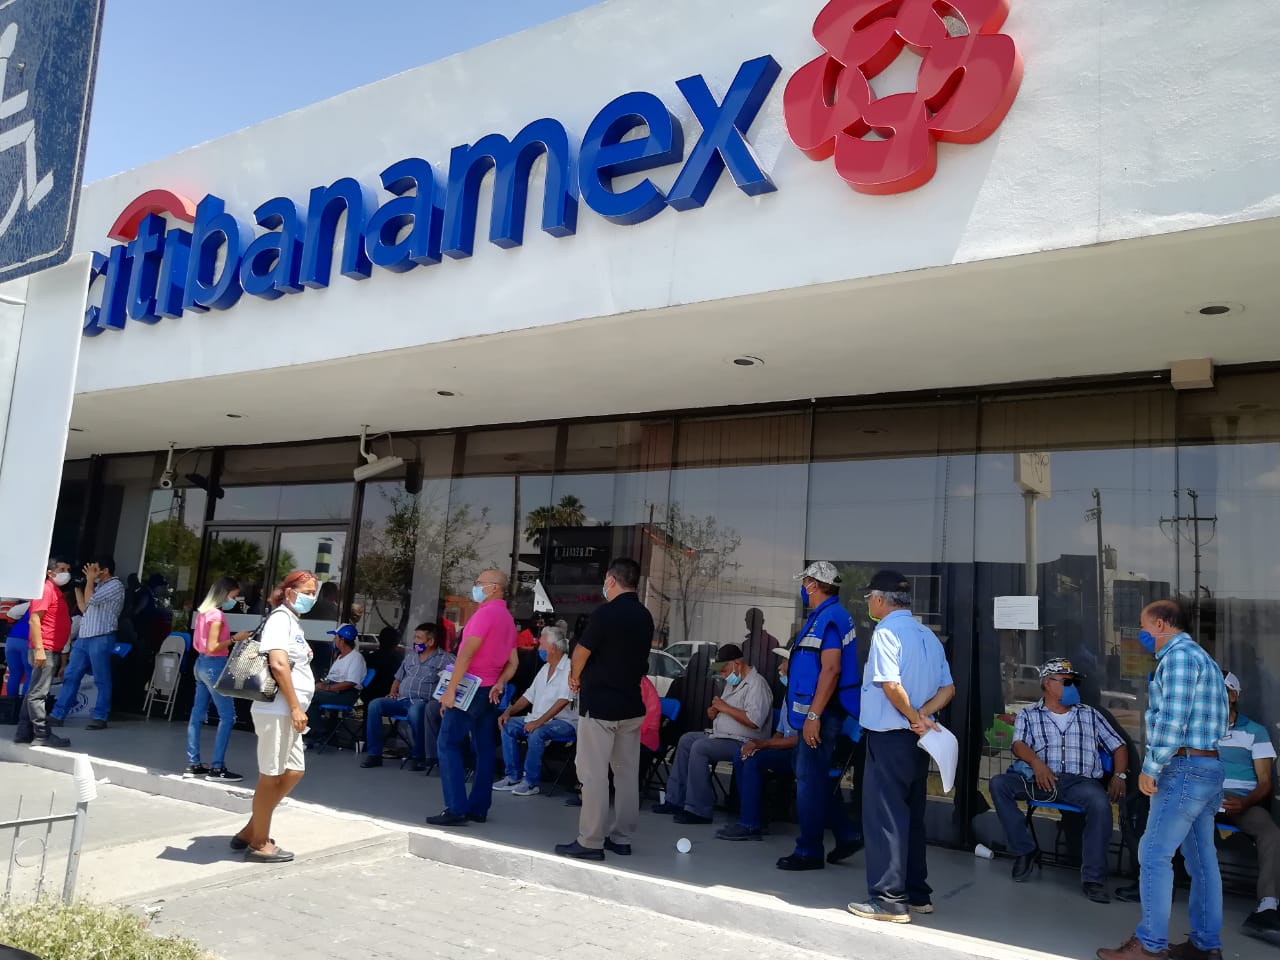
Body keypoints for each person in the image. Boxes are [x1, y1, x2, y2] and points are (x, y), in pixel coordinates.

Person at [1097, 600, 1229, 960]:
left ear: (1160, 625)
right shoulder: (1202, 658)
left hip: (1183, 768)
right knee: (1202, 861)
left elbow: (1173, 719)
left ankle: (1149, 945)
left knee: (1154, 854)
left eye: (1143, 625)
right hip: (1207, 766)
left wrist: (1151, 766)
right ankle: (1205, 945)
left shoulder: (1179, 658)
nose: (1140, 633)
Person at [848, 570, 955, 924]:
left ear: (880, 599)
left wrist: (911, 716)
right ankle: (917, 893)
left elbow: (891, 686)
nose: (869, 603)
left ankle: (888, 900)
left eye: (869, 597)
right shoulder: (927, 635)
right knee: (912, 816)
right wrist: (923, 716)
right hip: (918, 740)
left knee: (885, 817)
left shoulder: (886, 632)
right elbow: (948, 689)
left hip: (890, 737)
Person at [989, 657, 1128, 902]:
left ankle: (1094, 879)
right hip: (1041, 780)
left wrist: (1119, 775)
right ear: (1048, 683)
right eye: (1066, 681)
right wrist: (1036, 763)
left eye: (1074, 682)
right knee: (999, 784)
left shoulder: (1090, 714)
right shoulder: (1029, 714)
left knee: (1099, 803)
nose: (1072, 686)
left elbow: (1118, 746)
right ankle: (1025, 850)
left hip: (1079, 783)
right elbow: (1019, 745)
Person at [555, 557, 654, 861]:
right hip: (631, 705)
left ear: (611, 579)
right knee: (625, 775)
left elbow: (581, 652)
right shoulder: (645, 616)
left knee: (593, 774)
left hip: (599, 706)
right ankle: (621, 837)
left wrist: (574, 677)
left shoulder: (605, 613)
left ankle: (590, 841)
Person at [780, 561, 863, 871]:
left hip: (822, 715)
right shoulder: (824, 616)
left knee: (808, 781)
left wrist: (814, 716)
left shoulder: (830, 618)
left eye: (805, 583)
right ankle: (846, 833)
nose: (803, 588)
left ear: (814, 585)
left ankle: (809, 851)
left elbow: (831, 669)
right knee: (812, 777)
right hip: (817, 714)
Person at [234, 569, 319, 864]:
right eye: (307, 592)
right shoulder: (280, 619)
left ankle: (251, 829)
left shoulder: (292, 621)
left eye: (314, 593)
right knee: (271, 775)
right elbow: (279, 664)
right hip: (278, 709)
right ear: (289, 591)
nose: (311, 597)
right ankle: (259, 842)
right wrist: (295, 707)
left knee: (294, 771)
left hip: (289, 711)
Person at [427, 569, 518, 827]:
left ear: (494, 587)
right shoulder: (507, 619)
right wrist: (500, 682)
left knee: (448, 742)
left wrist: (450, 691)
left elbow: (466, 655)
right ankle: (479, 808)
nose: (475, 587)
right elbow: (514, 662)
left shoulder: (484, 615)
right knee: (484, 749)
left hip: (471, 688)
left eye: (479, 583)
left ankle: (456, 807)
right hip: (490, 690)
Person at [651, 642, 771, 825]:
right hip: (722, 735)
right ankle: (675, 799)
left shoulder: (757, 685)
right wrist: (715, 712)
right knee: (686, 740)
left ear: (737, 664)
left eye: (724, 671)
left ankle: (699, 809)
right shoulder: (733, 683)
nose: (723, 675)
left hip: (744, 741)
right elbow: (726, 709)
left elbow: (754, 721)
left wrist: (725, 708)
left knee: (700, 748)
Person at [1217, 671, 1280, 942]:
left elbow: (1265, 783)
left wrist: (1244, 802)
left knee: (1271, 833)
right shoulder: (1199, 728)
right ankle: (1148, 884)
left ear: (1233, 696)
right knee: (1164, 811)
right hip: (1205, 796)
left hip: (1242, 800)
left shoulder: (1255, 731)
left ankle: (1267, 905)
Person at [718, 645, 799, 842]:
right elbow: (780, 732)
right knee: (743, 755)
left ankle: (749, 824)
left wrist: (763, 745)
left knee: (754, 760)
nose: (779, 667)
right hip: (784, 749)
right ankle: (755, 816)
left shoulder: (802, 695)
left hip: (799, 753)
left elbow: (799, 739)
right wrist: (760, 745)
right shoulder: (789, 694)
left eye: (784, 662)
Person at [495, 625, 578, 796]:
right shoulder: (545, 668)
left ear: (553, 648)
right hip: (538, 718)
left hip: (564, 722)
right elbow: (528, 696)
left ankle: (531, 783)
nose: (538, 649)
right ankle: (512, 776)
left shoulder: (569, 669)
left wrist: (538, 722)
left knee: (537, 732)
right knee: (507, 725)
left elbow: (563, 700)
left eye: (541, 645)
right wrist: (509, 712)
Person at [361, 623, 453, 771]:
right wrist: (392, 692)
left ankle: (419, 755)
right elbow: (398, 678)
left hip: (423, 702)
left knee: (415, 711)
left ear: (430, 641)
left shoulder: (445, 659)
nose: (415, 641)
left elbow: (451, 682)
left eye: (419, 638)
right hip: (401, 700)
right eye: (415, 637)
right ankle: (374, 754)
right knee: (374, 705)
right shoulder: (410, 657)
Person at [185, 577, 251, 781]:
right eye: (233, 596)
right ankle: (217, 767)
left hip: (200, 664)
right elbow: (213, 647)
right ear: (224, 593)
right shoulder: (216, 615)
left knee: (197, 714)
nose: (234, 600)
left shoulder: (203, 613)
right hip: (214, 665)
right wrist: (235, 639)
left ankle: (194, 763)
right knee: (228, 716)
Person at [50, 555, 125, 730]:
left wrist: (89, 581)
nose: (89, 572)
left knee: (101, 678)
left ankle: (100, 716)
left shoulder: (115, 585)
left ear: (105, 571)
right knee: (70, 675)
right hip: (84, 637)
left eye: (93, 569)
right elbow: (84, 608)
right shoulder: (97, 586)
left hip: (101, 636)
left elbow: (91, 600)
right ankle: (57, 714)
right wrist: (78, 587)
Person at [14, 559, 72, 748]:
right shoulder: (46, 590)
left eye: (67, 569)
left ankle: (23, 732)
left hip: (48, 648)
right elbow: (34, 620)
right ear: (50, 572)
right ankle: (42, 734)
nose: (66, 573)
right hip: (45, 649)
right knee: (38, 694)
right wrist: (40, 650)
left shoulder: (53, 591)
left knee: (33, 691)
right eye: (61, 569)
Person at [305, 624, 367, 739]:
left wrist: (327, 688)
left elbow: (350, 683)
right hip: (333, 690)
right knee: (307, 691)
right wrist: (321, 685)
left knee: (311, 696)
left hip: (346, 694)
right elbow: (331, 678)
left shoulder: (356, 658)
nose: (334, 640)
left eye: (336, 637)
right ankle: (315, 728)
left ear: (342, 640)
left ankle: (318, 730)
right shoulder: (339, 657)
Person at [362, 626, 403, 703]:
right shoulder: (399, 660)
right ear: (396, 642)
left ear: (379, 640)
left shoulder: (369, 658)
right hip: (389, 698)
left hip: (368, 696)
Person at [5, 601, 32, 696]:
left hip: (12, 639)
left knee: (14, 674)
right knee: (31, 674)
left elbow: (11, 612)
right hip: (28, 640)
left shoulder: (31, 604)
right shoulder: (55, 606)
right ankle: (24, 703)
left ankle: (10, 702)